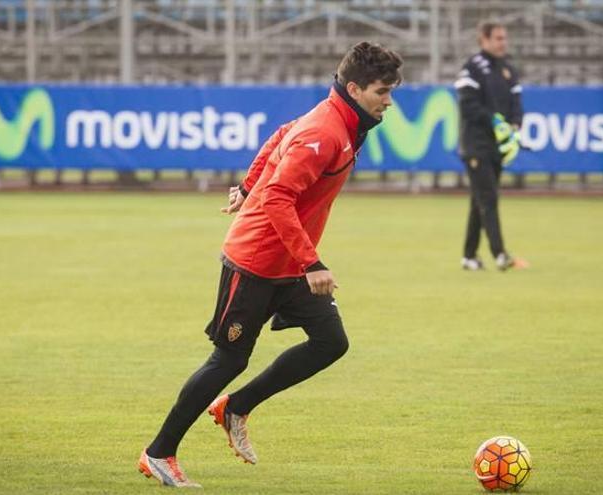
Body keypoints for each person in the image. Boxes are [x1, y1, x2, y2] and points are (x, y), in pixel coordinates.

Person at [137, 41, 403, 488]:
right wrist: (312, 262)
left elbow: (280, 134)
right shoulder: (326, 132)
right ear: (355, 88)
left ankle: (235, 407)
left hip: (288, 262)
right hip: (257, 260)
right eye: (383, 91)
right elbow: (280, 197)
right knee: (228, 359)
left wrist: (247, 184)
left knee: (330, 341)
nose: (389, 102)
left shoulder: (340, 119)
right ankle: (158, 452)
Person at [454, 21, 528, 271]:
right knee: (489, 199)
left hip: (497, 147)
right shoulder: (472, 67)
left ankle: (469, 257)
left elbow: (516, 102)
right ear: (483, 40)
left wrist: (515, 124)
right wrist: (495, 121)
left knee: (480, 201)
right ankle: (500, 255)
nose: (502, 43)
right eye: (498, 38)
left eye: (504, 38)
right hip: (476, 145)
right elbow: (467, 104)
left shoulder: (508, 69)